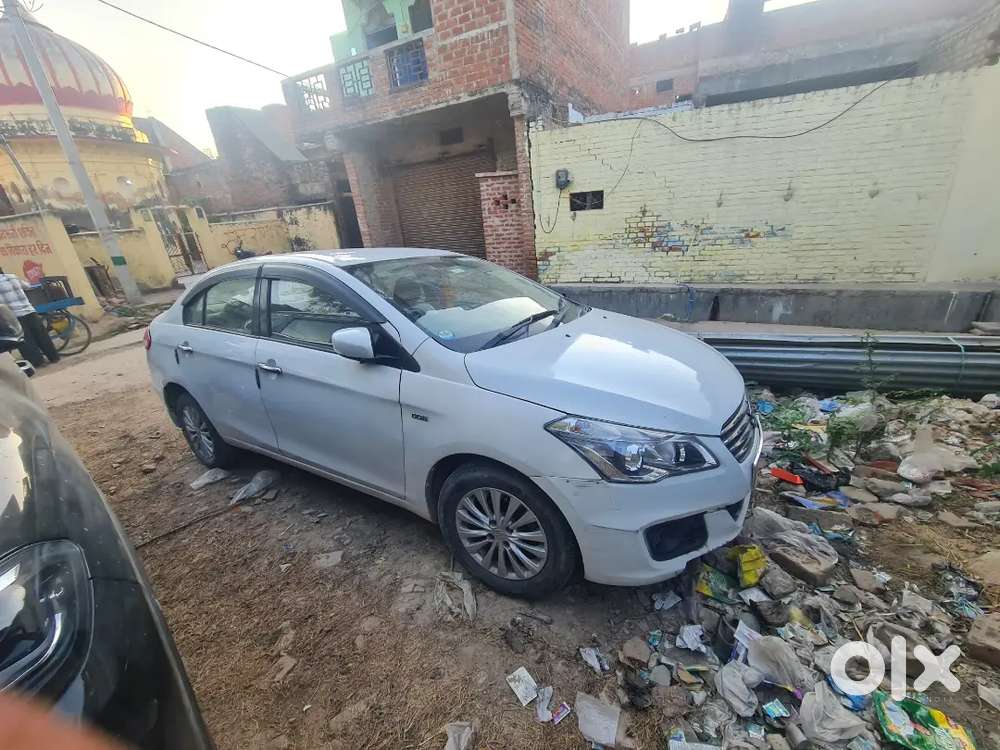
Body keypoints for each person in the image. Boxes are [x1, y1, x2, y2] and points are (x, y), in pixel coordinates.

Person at [0, 270, 59, 367]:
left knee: (26, 340)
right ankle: (54, 357)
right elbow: (27, 286)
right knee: (41, 335)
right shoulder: (12, 276)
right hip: (29, 310)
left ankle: (37, 362)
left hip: (14, 315)